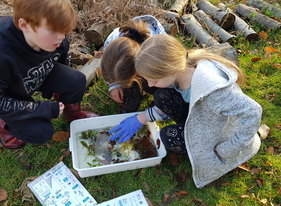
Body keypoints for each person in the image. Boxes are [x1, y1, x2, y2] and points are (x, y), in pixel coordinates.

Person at [109, 34, 262, 188]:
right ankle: (187, 125)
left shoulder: (214, 91)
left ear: (171, 70)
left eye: (154, 80)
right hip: (203, 118)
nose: (150, 84)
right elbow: (175, 99)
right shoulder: (182, 72)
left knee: (168, 137)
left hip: (219, 135)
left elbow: (253, 112)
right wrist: (142, 118)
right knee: (162, 96)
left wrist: (227, 150)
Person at [0, 0, 99, 149]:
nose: (61, 38)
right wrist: (41, 109)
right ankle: (4, 124)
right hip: (9, 94)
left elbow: (61, 59)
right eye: (54, 31)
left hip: (37, 74)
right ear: (24, 25)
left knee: (76, 79)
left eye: (64, 31)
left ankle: (73, 114)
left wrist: (57, 90)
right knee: (40, 132)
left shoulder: (57, 39)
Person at [101, 15, 166, 113]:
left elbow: (169, 76)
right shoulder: (111, 41)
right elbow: (113, 69)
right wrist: (114, 85)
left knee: (159, 90)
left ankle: (160, 102)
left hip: (160, 69)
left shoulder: (160, 50)